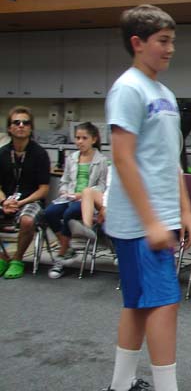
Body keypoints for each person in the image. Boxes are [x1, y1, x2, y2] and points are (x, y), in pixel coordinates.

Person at [101, 4, 191, 391]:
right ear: (138, 43)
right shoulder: (128, 88)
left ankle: (121, 384)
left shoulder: (165, 93)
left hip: (160, 217)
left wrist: (185, 209)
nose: (171, 48)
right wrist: (152, 222)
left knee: (139, 303)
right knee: (163, 304)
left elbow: (170, 160)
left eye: (173, 41)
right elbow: (123, 159)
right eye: (163, 41)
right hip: (140, 223)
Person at [44, 122, 108, 279]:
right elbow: (64, 181)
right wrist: (64, 191)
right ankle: (67, 247)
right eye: (77, 138)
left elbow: (102, 186)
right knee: (50, 212)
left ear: (93, 139)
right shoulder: (71, 158)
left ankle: (61, 255)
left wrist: (82, 195)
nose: (80, 141)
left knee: (70, 213)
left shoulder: (101, 160)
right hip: (69, 197)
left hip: (87, 200)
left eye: (84, 138)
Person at [0, 106, 50, 279]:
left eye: (25, 123)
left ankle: (17, 259)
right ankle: (2, 257)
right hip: (7, 201)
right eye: (16, 122)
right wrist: (4, 202)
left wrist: (20, 203)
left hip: (31, 202)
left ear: (31, 128)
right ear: (9, 128)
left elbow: (44, 189)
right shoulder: (2, 154)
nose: (21, 125)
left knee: (27, 220)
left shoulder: (40, 154)